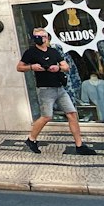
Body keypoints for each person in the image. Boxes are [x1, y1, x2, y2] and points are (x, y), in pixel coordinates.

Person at [17, 27, 96, 155]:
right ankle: (31, 139)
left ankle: (79, 145)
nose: (38, 38)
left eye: (40, 36)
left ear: (46, 37)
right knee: (46, 116)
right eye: (35, 36)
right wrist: (32, 67)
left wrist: (57, 68)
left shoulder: (53, 51)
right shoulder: (31, 53)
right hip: (45, 89)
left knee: (72, 114)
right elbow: (19, 67)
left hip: (59, 88)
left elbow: (66, 66)